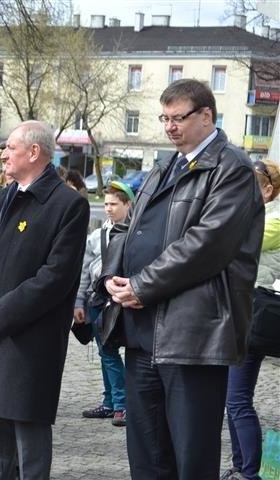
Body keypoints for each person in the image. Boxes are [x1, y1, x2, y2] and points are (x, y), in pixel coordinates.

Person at [99, 78, 264, 479]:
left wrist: (142, 285)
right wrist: (112, 276)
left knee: (191, 456)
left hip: (193, 336)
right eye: (165, 118)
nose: (170, 127)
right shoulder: (165, 166)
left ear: (206, 116)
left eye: (179, 118)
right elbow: (130, 228)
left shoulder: (232, 168)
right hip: (143, 333)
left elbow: (206, 245)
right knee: (147, 455)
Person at [0, 120, 89, 479]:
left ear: (34, 152)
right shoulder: (6, 195)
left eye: (10, 147)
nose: (3, 154)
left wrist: (1, 313)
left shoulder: (68, 204)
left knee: (28, 436)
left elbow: (55, 278)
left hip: (29, 337)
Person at [221, 159, 280, 480]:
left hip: (257, 314)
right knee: (235, 398)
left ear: (268, 190)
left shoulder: (274, 220)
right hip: (245, 312)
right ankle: (241, 466)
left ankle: (250, 471)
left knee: (238, 399)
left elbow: (236, 241)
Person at [75, 181, 133, 427]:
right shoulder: (96, 237)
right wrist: (78, 302)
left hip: (123, 301)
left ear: (127, 204)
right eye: (106, 204)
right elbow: (85, 272)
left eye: (114, 204)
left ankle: (121, 404)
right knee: (104, 353)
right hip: (96, 301)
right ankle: (111, 402)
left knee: (111, 353)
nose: (108, 209)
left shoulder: (134, 233)